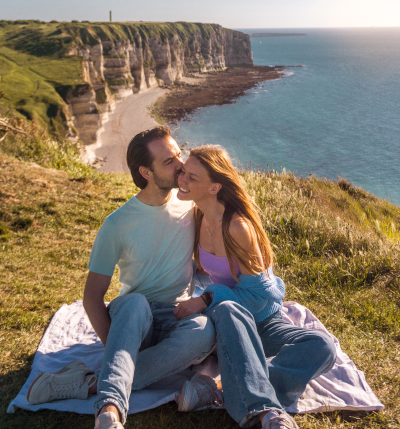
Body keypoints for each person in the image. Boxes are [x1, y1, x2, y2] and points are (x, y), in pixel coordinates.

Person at [26, 126, 216, 429]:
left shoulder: (191, 206)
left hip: (177, 317)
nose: (181, 164)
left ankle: (89, 382)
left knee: (206, 329)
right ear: (146, 172)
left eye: (178, 154)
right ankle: (109, 413)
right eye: (169, 161)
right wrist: (114, 345)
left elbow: (203, 259)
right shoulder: (117, 224)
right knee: (135, 302)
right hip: (134, 319)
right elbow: (92, 296)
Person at [173, 145, 337, 429]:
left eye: (191, 177)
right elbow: (203, 272)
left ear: (214, 188)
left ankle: (222, 388)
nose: (182, 180)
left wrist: (207, 298)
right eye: (183, 173)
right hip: (223, 320)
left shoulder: (237, 227)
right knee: (226, 310)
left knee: (323, 345)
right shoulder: (197, 217)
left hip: (262, 320)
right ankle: (261, 403)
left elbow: (261, 298)